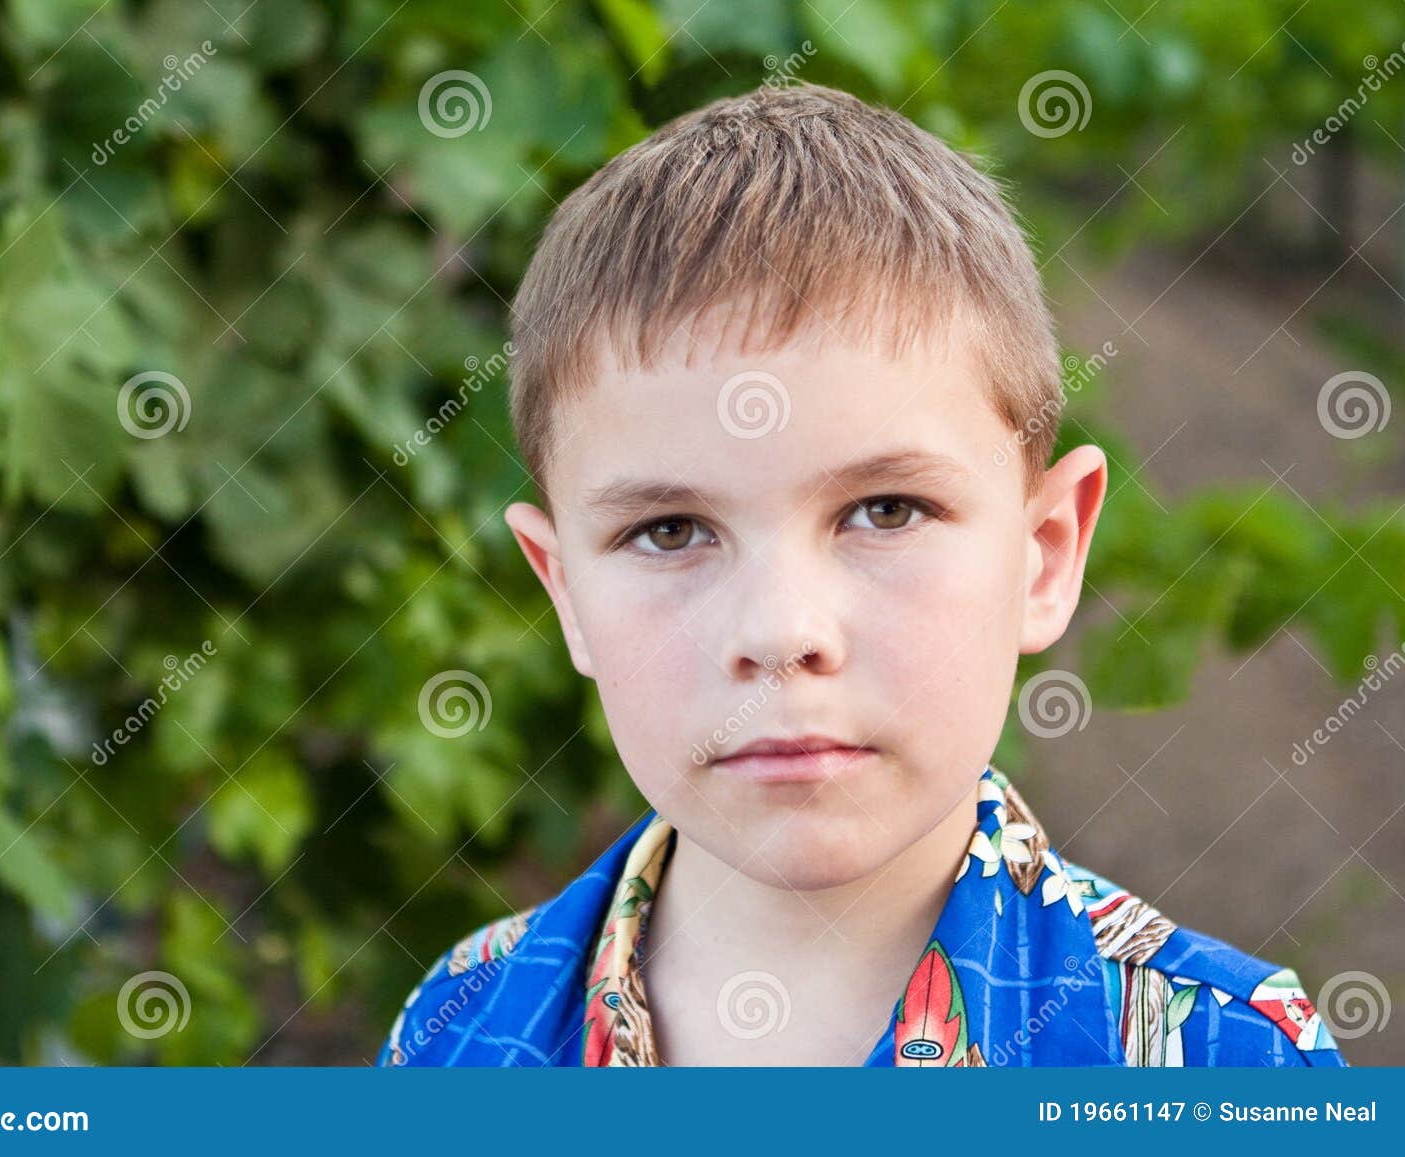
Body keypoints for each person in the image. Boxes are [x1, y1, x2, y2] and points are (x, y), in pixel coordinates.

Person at [376, 82, 1345, 1068]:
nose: (781, 628)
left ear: (1043, 552)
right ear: (565, 591)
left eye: (885, 511)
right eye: (670, 529)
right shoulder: (455, 1029)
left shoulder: (1227, 1060)